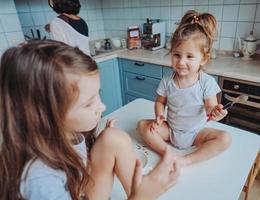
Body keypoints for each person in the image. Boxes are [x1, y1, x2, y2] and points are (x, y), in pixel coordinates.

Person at [0, 40, 179, 200]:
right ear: (43, 115)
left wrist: (96, 140)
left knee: (112, 137)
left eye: (98, 96)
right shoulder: (38, 181)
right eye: (87, 104)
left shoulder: (67, 133)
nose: (102, 107)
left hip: (79, 191)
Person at [137, 10, 232, 167]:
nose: (181, 62)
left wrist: (215, 111)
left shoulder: (206, 82)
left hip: (197, 134)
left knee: (225, 138)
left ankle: (186, 160)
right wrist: (159, 116)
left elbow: (210, 107)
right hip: (171, 130)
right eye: (176, 55)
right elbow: (160, 101)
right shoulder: (167, 80)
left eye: (189, 56)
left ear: (204, 59)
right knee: (142, 126)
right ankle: (169, 154)